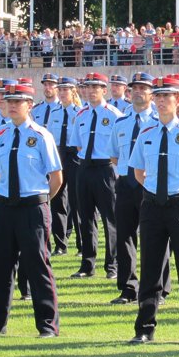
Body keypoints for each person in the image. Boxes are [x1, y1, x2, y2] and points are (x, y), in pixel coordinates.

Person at [127, 76, 179, 345]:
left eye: (167, 97)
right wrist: (155, 192)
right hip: (152, 205)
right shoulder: (147, 133)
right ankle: (144, 329)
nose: (161, 101)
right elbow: (139, 171)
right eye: (158, 97)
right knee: (150, 268)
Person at [0, 83, 63, 337]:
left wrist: (42, 202)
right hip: (5, 208)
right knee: (1, 267)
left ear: (30, 105)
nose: (12, 106)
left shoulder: (41, 135)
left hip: (32, 208)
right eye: (9, 101)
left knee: (38, 266)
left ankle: (48, 325)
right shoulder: (1, 135)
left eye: (18, 102)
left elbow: (56, 177)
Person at [107, 72, 167, 305]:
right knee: (124, 236)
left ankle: (159, 288)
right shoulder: (121, 122)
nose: (138, 92)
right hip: (125, 184)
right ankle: (128, 288)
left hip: (150, 185)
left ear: (151, 93)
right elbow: (114, 154)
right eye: (135, 88)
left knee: (157, 237)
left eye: (143, 88)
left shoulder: (158, 122)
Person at [69, 72, 123, 279]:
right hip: (84, 168)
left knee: (111, 218)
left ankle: (112, 265)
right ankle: (87, 264)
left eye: (95, 87)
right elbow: (79, 144)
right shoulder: (81, 115)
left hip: (106, 169)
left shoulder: (114, 115)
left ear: (104, 90)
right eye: (88, 87)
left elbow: (119, 148)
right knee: (86, 218)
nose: (91, 91)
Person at [45, 77, 82, 256]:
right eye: (59, 90)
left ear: (73, 91)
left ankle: (82, 245)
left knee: (77, 201)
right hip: (59, 154)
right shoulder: (55, 112)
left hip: (74, 155)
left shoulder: (79, 111)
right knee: (57, 200)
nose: (61, 93)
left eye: (65, 90)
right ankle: (60, 244)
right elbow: (50, 135)